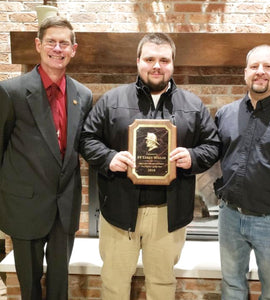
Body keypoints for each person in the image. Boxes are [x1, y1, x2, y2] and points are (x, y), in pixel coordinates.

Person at [79, 32, 220, 300]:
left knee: (163, 284)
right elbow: (87, 139)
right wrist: (109, 158)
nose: (157, 65)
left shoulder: (193, 105)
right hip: (119, 212)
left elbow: (213, 145)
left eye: (164, 60)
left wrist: (193, 157)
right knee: (114, 283)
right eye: (150, 59)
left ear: (173, 64)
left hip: (168, 214)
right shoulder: (111, 101)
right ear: (138, 62)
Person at [0, 16, 92, 300]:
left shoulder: (83, 95)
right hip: (24, 205)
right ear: (38, 45)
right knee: (29, 288)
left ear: (73, 50)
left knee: (59, 288)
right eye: (51, 42)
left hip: (65, 208)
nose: (58, 48)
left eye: (64, 43)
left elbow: (83, 145)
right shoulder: (11, 92)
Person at [214, 44, 270, 299]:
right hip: (229, 217)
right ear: (245, 72)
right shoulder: (225, 114)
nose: (260, 72)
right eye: (254, 66)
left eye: (268, 66)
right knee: (231, 287)